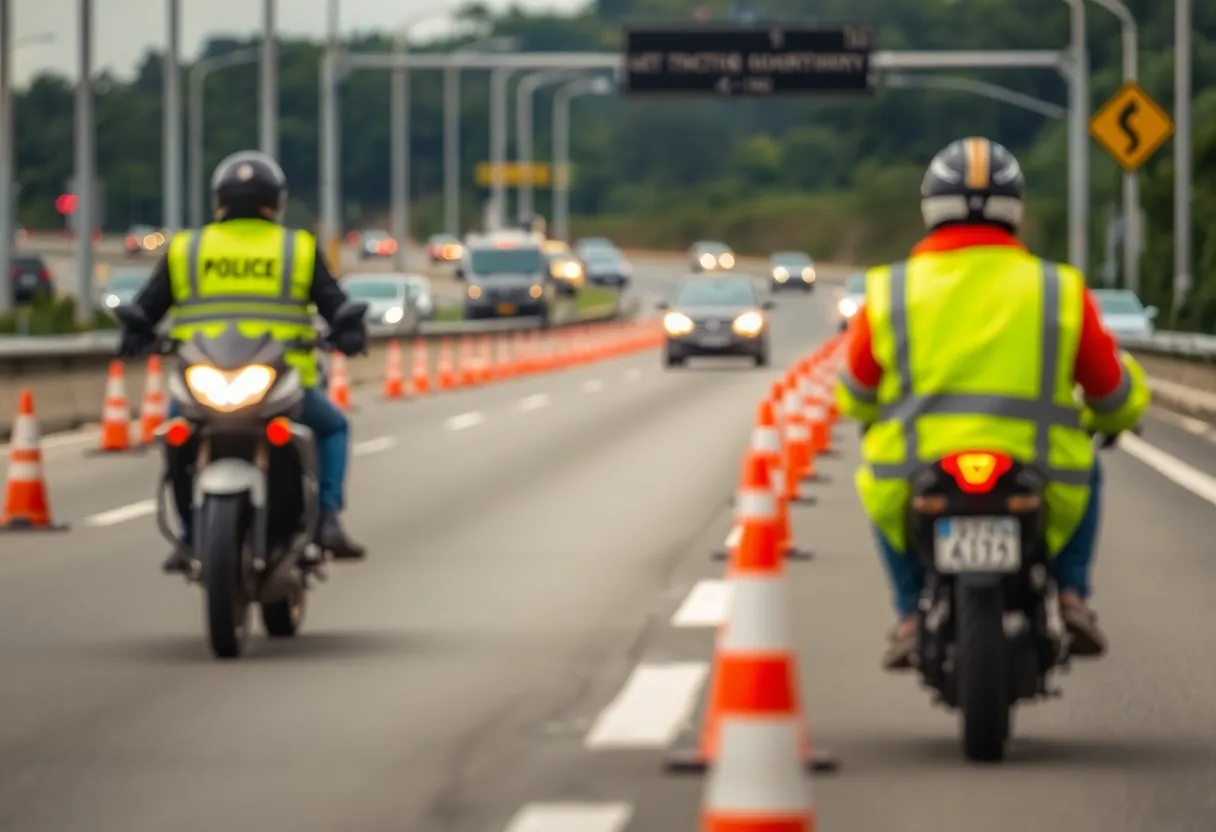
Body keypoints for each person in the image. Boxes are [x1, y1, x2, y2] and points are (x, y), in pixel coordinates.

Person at [834, 137, 1150, 671]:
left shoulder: (890, 289)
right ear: (1014, 210)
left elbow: (856, 394)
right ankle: (1071, 593)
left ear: (931, 207)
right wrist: (1115, 417)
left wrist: (873, 416)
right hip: (1038, 467)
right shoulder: (1057, 288)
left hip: (919, 468)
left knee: (876, 481)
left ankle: (909, 613)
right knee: (1089, 468)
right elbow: (1110, 392)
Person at [118, 150, 368, 573]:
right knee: (333, 429)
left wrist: (135, 332)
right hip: (278, 376)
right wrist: (348, 332)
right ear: (276, 202)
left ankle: (188, 534)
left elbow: (147, 307)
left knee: (175, 433)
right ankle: (329, 518)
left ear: (218, 201)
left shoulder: (189, 248)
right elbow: (334, 305)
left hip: (222, 377)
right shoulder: (296, 248)